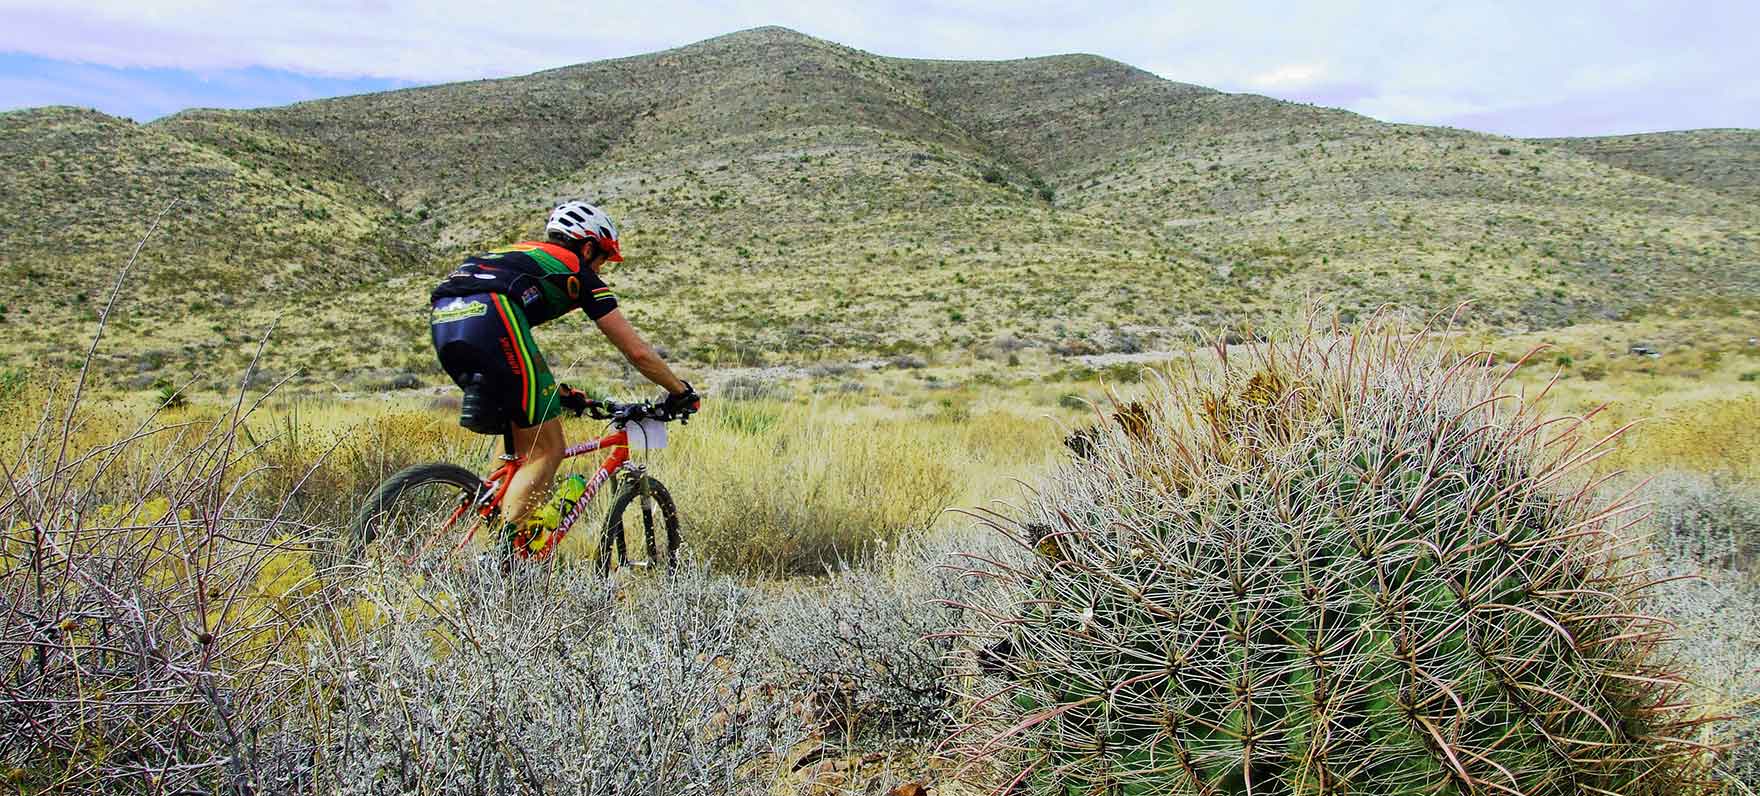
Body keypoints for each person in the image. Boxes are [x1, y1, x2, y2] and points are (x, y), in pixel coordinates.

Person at [429, 199, 699, 552]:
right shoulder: (577, 268)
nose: (602, 269)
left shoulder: (518, 254)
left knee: (520, 436)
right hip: (494, 314)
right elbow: (637, 352)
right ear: (588, 247)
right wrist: (680, 392)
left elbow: (512, 353)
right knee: (549, 449)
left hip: (445, 320)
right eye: (603, 258)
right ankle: (504, 564)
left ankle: (489, 534)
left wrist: (553, 393)